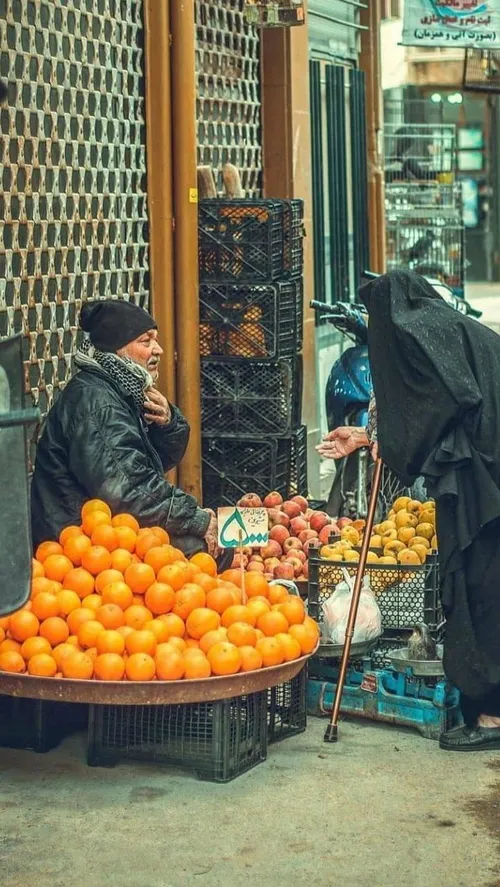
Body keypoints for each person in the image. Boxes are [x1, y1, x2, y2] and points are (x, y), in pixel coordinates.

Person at [359, 268, 500, 751]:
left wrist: (392, 442)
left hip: (479, 487)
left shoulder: (427, 340)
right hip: (487, 476)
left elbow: (446, 401)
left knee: (480, 589)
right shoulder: (458, 330)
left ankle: (490, 717)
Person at [31, 298, 226, 565]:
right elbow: (128, 488)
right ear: (118, 350)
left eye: (155, 340)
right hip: (76, 539)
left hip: (108, 527)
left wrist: (168, 424)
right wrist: (196, 518)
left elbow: (149, 464)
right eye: (145, 342)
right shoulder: (98, 403)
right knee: (206, 551)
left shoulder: (120, 389)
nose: (158, 349)